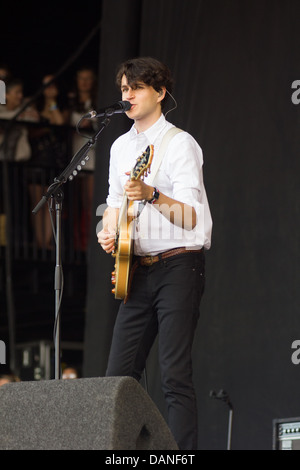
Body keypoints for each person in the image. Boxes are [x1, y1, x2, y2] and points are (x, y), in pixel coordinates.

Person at [97, 57, 212, 450]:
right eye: (124, 89)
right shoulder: (119, 146)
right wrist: (107, 230)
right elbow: (113, 203)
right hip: (136, 269)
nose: (127, 95)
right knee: (117, 379)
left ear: (160, 92)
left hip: (178, 263)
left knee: (174, 374)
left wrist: (151, 194)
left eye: (137, 88)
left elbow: (189, 215)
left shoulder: (179, 143)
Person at [28, 74, 68, 250]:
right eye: (46, 86)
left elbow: (59, 121)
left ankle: (47, 242)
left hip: (53, 161)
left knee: (49, 205)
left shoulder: (59, 107)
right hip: (36, 160)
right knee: (38, 203)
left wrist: (52, 102)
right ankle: (39, 241)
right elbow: (31, 130)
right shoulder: (33, 106)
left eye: (52, 85)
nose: (49, 89)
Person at [67, 66, 98, 251]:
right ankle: (77, 242)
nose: (85, 83)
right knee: (75, 201)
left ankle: (88, 242)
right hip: (73, 157)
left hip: (92, 157)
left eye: (88, 78)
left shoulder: (97, 103)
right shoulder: (71, 102)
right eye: (81, 78)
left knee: (89, 200)